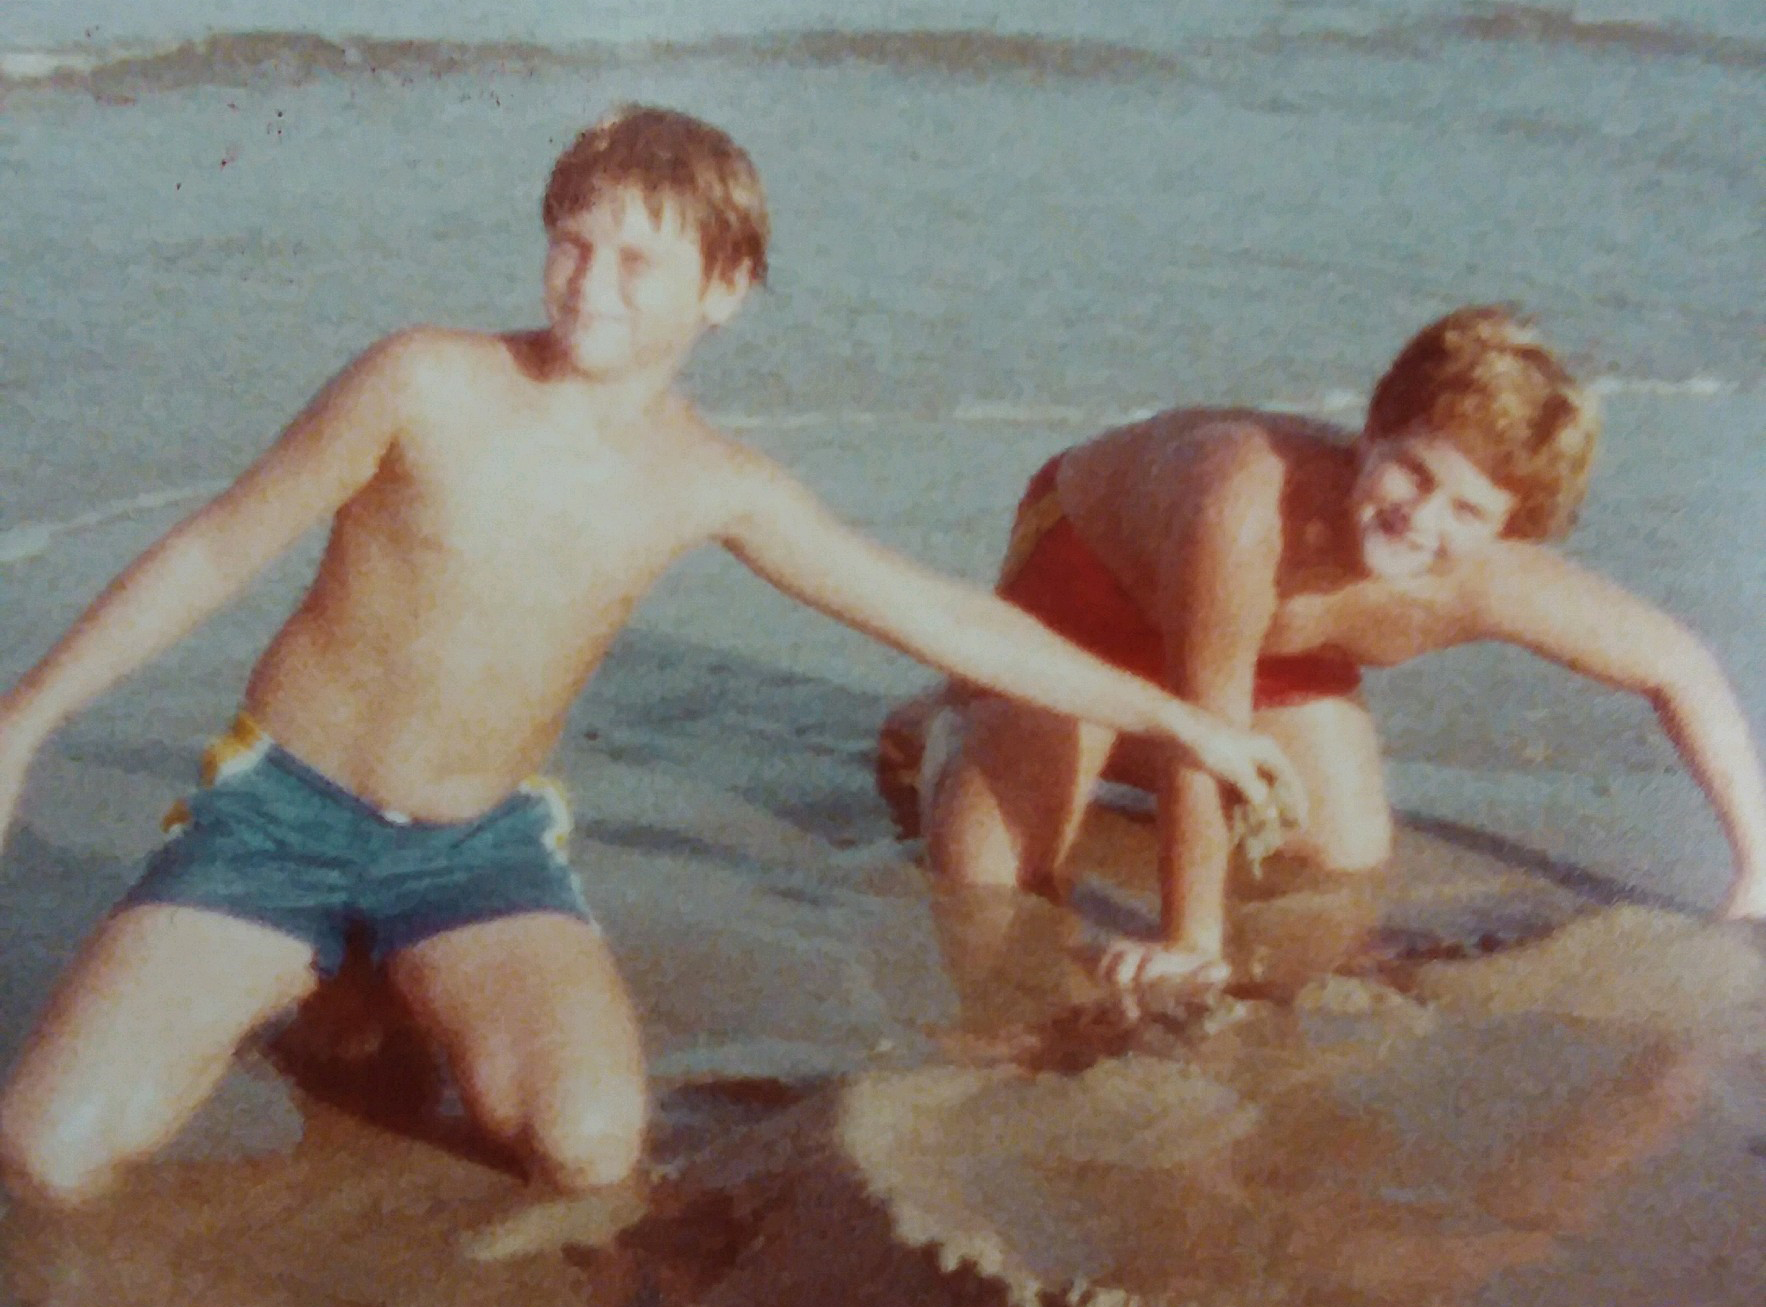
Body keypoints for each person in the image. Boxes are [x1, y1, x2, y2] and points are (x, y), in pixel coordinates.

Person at [0, 105, 1302, 1207]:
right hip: (281, 810)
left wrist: (1181, 721)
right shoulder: (422, 382)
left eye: (638, 256)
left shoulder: (706, 480)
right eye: (573, 241)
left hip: (471, 846)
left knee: (586, 1144)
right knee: (48, 1151)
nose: (591, 278)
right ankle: (332, 979)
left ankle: (386, 978)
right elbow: (213, 549)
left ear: (722, 290)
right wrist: (22, 718)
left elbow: (940, 616)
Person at [879, 305, 1766, 994]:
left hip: (1254, 646)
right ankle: (952, 718)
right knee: (987, 882)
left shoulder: (1491, 577)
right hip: (1093, 584)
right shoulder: (1245, 506)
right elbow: (1205, 724)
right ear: (1372, 432)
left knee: (1343, 850)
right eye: (1413, 471)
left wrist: (1755, 869)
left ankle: (1090, 738)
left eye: (1467, 511)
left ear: (1510, 529)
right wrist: (1193, 940)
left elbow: (1679, 667)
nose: (1421, 518)